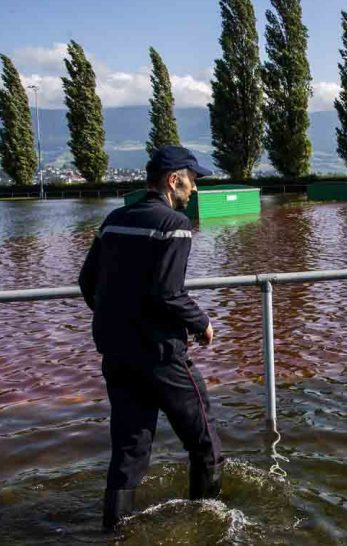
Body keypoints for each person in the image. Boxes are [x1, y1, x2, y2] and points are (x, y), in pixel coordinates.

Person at [78, 145, 224, 531]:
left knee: (129, 452)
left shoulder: (113, 220)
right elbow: (168, 293)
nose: (194, 190)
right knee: (204, 442)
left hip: (117, 354)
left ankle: (115, 532)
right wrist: (202, 323)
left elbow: (87, 281)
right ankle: (210, 526)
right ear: (173, 180)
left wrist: (120, 321)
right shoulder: (173, 224)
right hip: (161, 357)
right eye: (192, 181)